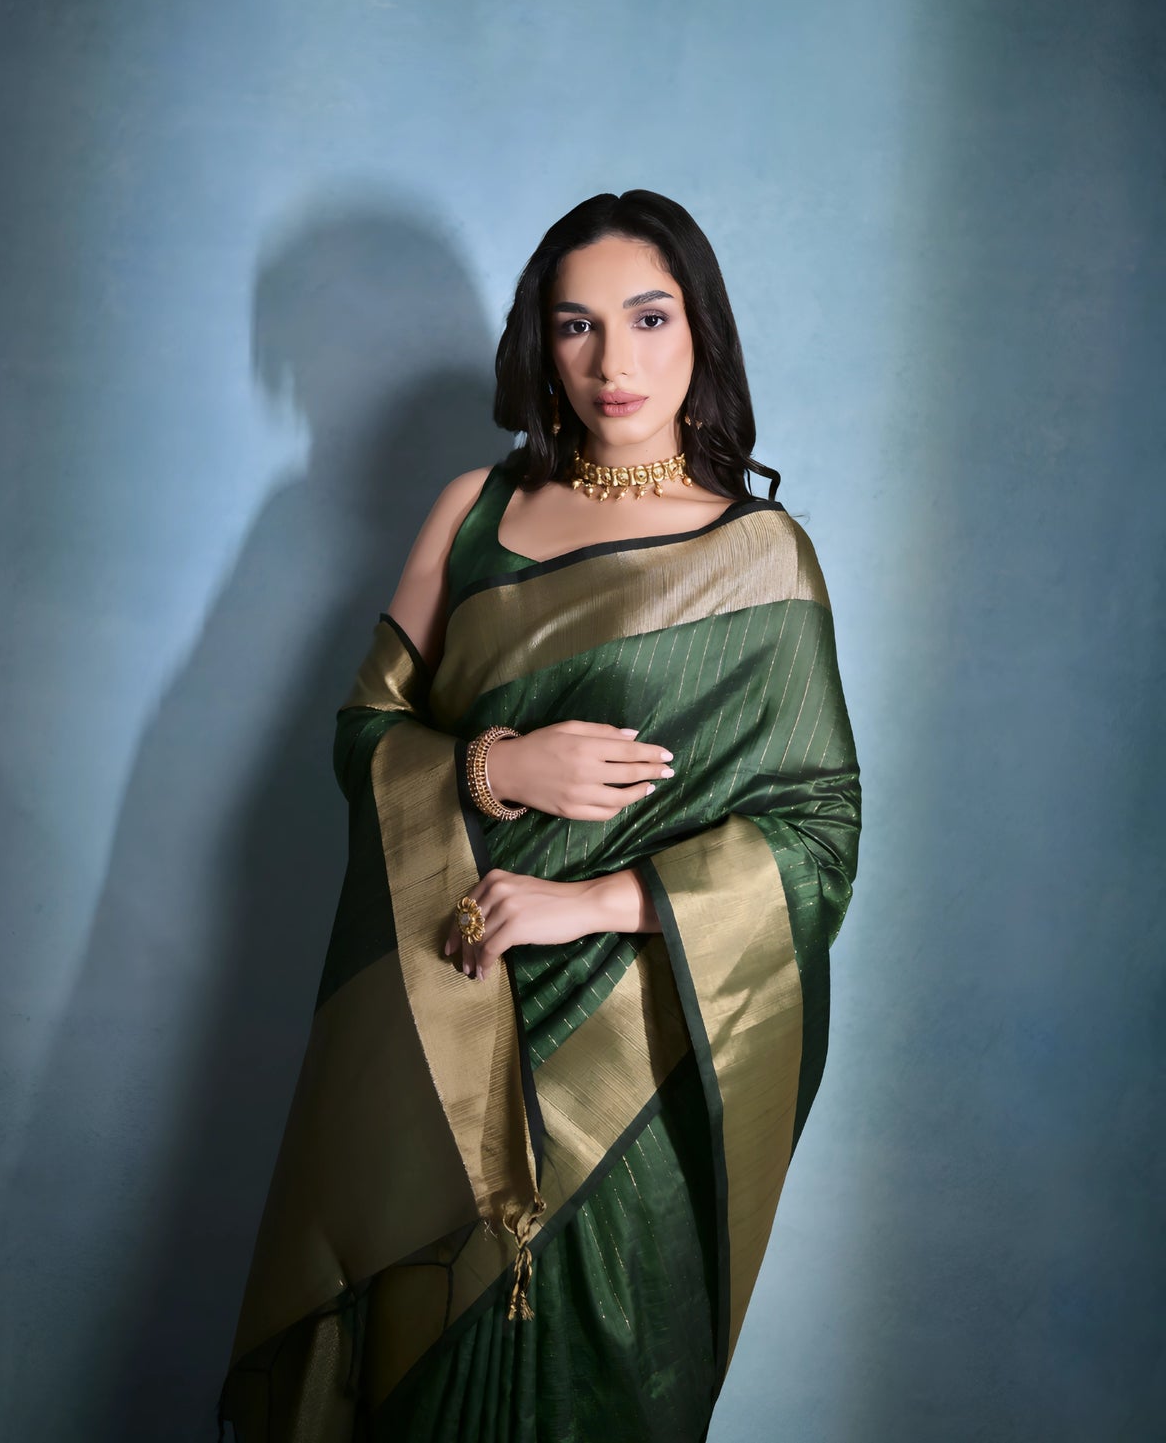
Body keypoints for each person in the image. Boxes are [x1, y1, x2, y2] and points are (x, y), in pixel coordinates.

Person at [216, 189, 862, 1442]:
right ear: (537, 344)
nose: (613, 362)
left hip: (633, 1058)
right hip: (441, 1024)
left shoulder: (763, 559)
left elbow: (819, 833)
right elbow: (366, 733)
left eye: (648, 316)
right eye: (576, 325)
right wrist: (496, 771)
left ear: (701, 333)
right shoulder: (475, 513)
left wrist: (587, 901)